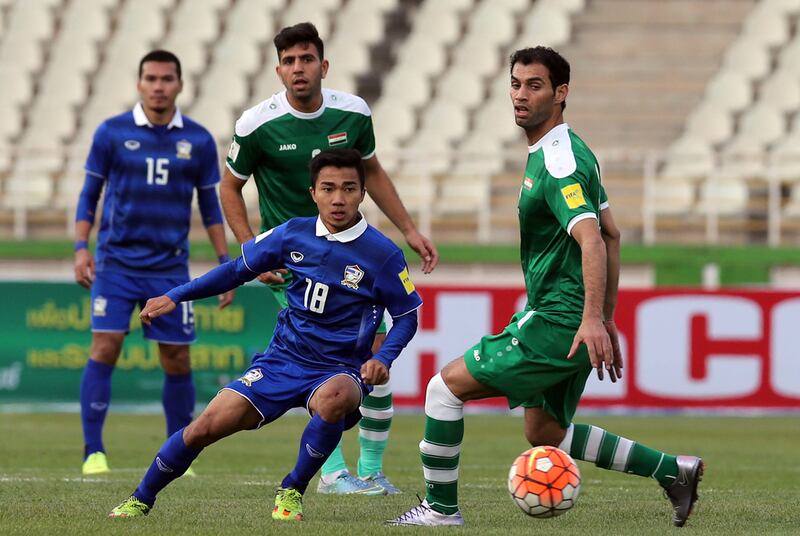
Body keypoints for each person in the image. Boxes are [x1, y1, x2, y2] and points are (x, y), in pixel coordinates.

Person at [388, 46, 704, 528]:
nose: (520, 95)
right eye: (515, 84)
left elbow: (593, 239)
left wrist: (593, 317)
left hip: (560, 319)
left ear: (561, 93)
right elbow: (613, 232)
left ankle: (440, 509)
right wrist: (604, 316)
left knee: (442, 389)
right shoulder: (571, 149)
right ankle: (673, 472)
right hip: (571, 317)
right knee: (545, 431)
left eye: (534, 86)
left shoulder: (559, 161)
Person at [109, 148, 422, 522]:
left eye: (349, 188)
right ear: (313, 193)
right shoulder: (292, 233)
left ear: (362, 192)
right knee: (204, 427)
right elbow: (236, 271)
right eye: (328, 188)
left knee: (335, 397)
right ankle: (140, 499)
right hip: (281, 361)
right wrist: (175, 295)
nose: (338, 198)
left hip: (339, 368)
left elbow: (406, 316)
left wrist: (382, 359)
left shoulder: (382, 255)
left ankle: (292, 490)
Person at [219, 22, 437, 495]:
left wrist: (410, 230)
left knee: (375, 359)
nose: (299, 68)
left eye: (307, 58)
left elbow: (372, 172)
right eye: (290, 61)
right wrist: (251, 250)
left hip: (354, 259)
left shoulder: (353, 113)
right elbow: (230, 186)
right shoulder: (256, 125)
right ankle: (334, 473)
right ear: (278, 70)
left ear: (324, 65)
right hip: (296, 266)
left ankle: (372, 470)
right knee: (321, 366)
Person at [75, 50, 234, 476]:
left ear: (180, 84)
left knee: (177, 358)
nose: (159, 86)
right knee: (105, 348)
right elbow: (89, 195)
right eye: (151, 78)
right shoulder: (111, 132)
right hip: (116, 265)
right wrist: (80, 246)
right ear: (139, 84)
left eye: (167, 79)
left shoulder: (198, 140)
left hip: (168, 270)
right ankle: (94, 452)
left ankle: (179, 453)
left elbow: (211, 209)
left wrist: (226, 265)